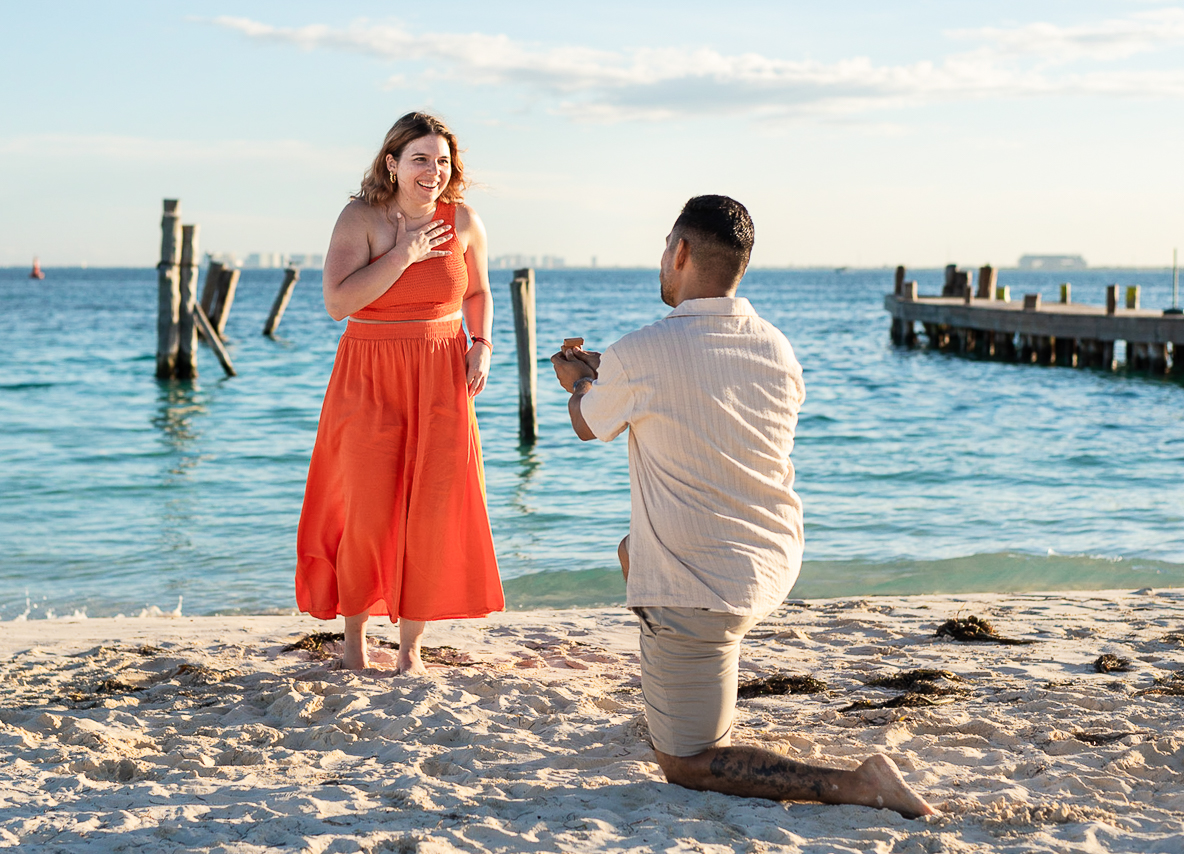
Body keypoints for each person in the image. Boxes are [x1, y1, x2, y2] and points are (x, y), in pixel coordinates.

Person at [550, 195, 935, 818]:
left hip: (704, 587)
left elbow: (586, 424)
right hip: (773, 556)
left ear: (680, 252)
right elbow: (695, 389)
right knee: (633, 552)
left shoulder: (641, 352)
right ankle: (671, 689)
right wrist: (613, 372)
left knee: (686, 763)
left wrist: (583, 381)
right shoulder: (775, 347)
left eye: (663, 248)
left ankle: (861, 783)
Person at [296, 112, 503, 676]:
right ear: (392, 162)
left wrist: (482, 342)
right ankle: (356, 644)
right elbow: (338, 303)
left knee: (432, 507)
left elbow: (480, 290)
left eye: (442, 161)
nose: (433, 172)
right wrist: (403, 255)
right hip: (369, 372)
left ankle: (411, 650)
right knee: (366, 508)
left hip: (441, 372)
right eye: (420, 160)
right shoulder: (359, 217)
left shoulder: (462, 221)